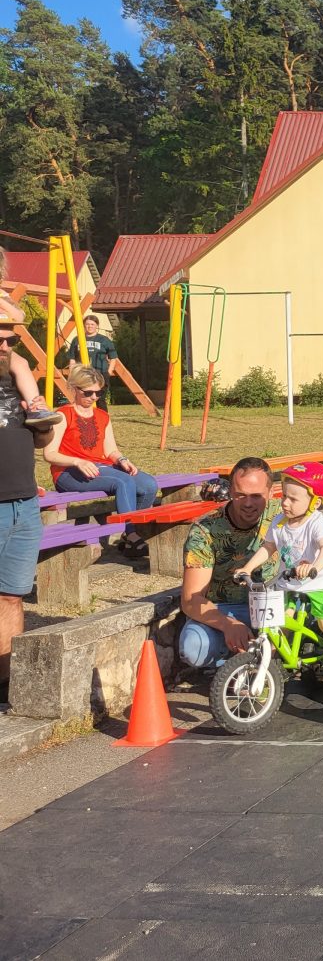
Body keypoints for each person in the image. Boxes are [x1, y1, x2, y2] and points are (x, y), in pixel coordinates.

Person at [178, 457, 323, 668]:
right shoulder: (205, 531)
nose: (248, 503)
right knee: (193, 647)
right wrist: (228, 624)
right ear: (230, 491)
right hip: (228, 609)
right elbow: (191, 600)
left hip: (276, 599)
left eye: (256, 496)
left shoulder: (286, 511)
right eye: (240, 495)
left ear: (271, 493)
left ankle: (319, 634)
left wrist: (309, 565)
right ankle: (242, 661)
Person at [234, 462, 323, 698]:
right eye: (283, 497)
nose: (285, 503)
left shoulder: (316, 522)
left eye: (293, 499)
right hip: (287, 584)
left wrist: (314, 567)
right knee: (277, 626)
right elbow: (268, 547)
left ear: (315, 503)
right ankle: (267, 673)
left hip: (317, 585)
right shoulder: (279, 522)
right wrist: (247, 568)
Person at [41, 365, 157, 560]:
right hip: (68, 472)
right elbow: (49, 454)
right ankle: (131, 534)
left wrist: (122, 459)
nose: (94, 397)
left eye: (99, 393)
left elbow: (110, 450)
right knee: (123, 481)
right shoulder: (63, 415)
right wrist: (77, 461)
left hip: (101, 467)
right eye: (88, 393)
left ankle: (131, 532)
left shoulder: (103, 416)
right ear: (75, 389)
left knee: (148, 484)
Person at [0, 317, 42, 700]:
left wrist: (41, 418)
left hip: (24, 504)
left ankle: (5, 685)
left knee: (12, 596)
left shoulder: (16, 374)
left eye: (10, 340)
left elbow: (42, 438)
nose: (5, 347)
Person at [0, 250, 62, 428]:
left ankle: (35, 407)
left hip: (2, 342)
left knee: (21, 364)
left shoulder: (2, 295)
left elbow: (19, 316)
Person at [63, 315, 118, 410]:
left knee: (99, 398)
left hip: (100, 374)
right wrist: (72, 373)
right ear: (84, 325)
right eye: (87, 324)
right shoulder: (77, 339)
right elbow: (72, 359)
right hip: (83, 375)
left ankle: (102, 417)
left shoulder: (104, 340)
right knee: (82, 398)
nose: (90, 326)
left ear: (97, 325)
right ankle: (83, 416)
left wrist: (109, 372)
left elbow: (113, 357)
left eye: (92, 324)